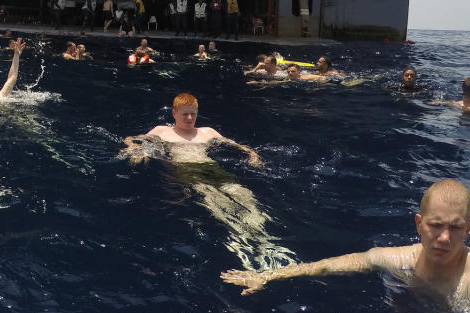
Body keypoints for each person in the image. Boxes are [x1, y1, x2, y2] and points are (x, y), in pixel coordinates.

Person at [222, 179, 470, 300]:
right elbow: (327, 265)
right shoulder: (396, 259)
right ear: (419, 224)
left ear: (467, 230)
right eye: (435, 226)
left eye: (455, 228)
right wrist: (265, 276)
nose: (444, 238)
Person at [122, 93, 291, 269]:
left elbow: (235, 144)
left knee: (245, 196)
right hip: (189, 171)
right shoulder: (162, 131)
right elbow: (131, 139)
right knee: (217, 203)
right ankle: (242, 241)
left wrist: (252, 155)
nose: (189, 118)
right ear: (174, 113)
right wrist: (135, 150)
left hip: (212, 169)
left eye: (193, 114)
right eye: (184, 114)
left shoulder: (207, 132)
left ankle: (265, 239)